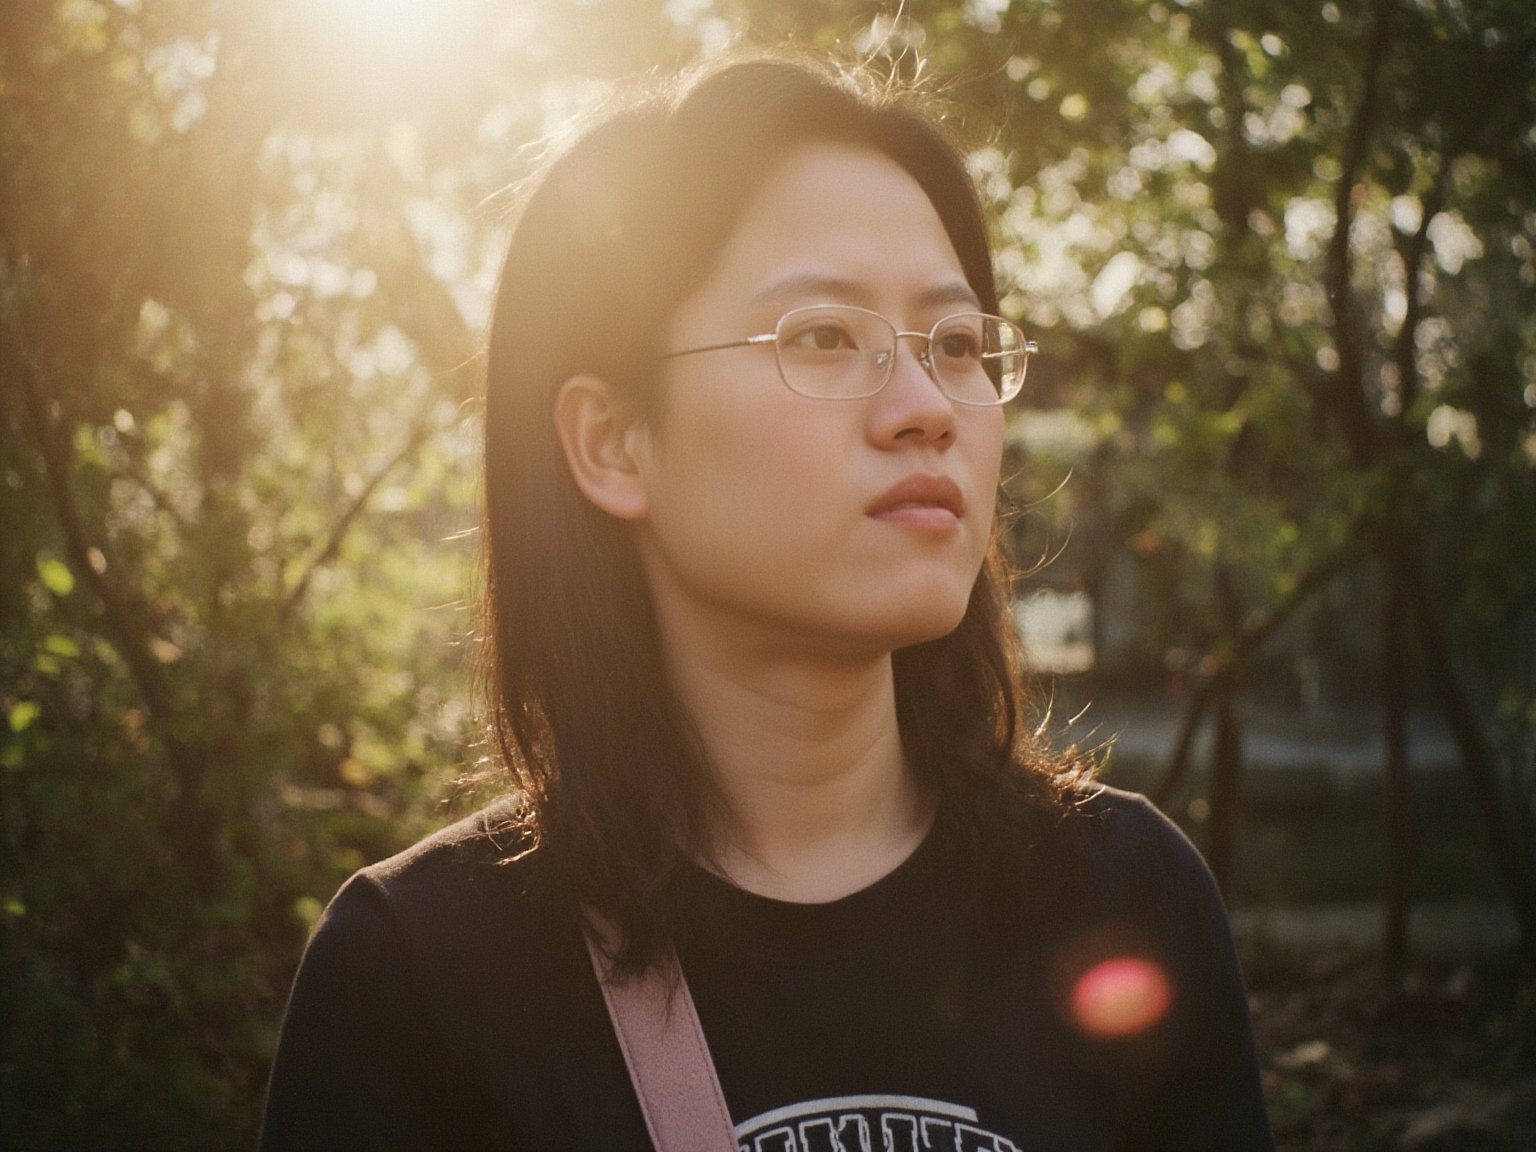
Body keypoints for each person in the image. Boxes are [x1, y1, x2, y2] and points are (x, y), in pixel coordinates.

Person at [260, 52, 1273, 1151]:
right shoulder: (420, 976)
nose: (927, 406)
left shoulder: (1125, 896)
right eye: (824, 337)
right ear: (614, 443)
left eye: (957, 344)